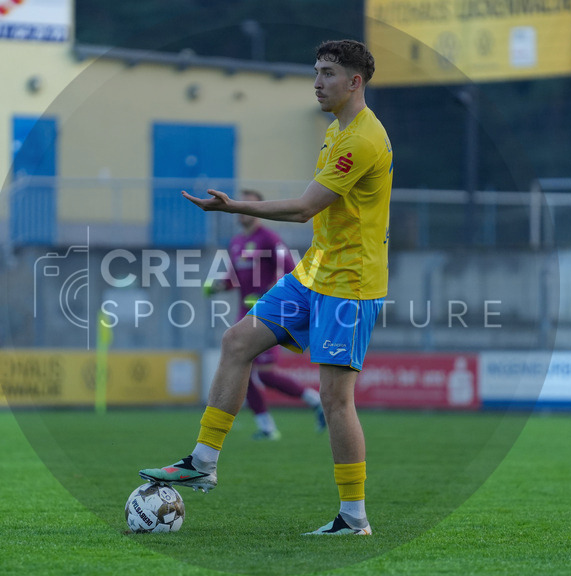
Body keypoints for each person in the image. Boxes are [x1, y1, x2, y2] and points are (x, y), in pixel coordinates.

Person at [140, 39, 391, 536]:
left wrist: (234, 207)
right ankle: (202, 461)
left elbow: (304, 209)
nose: (317, 82)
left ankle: (354, 517)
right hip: (314, 272)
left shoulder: (363, 139)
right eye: (315, 71)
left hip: (351, 283)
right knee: (238, 341)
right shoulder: (336, 130)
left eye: (327, 73)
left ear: (354, 82)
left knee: (336, 400)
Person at [204, 188, 326, 441]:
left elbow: (291, 272)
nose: (244, 210)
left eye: (249, 205)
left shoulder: (269, 239)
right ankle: (267, 427)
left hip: (268, 313)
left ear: (258, 210)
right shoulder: (236, 243)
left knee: (265, 374)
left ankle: (315, 401)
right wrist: (218, 286)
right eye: (242, 204)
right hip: (245, 314)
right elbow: (235, 277)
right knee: (241, 370)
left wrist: (266, 293)